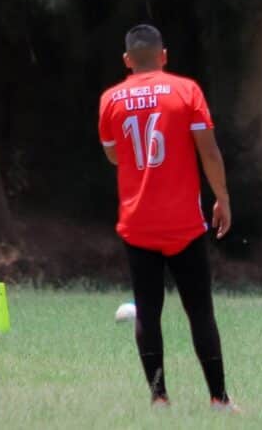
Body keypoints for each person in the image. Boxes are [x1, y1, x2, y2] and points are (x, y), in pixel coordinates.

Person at [98, 24, 237, 410]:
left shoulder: (111, 98)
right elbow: (208, 151)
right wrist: (222, 196)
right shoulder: (186, 90)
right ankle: (219, 398)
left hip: (138, 222)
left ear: (127, 60)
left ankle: (159, 398)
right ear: (164, 55)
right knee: (200, 311)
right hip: (184, 223)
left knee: (148, 311)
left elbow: (113, 154)